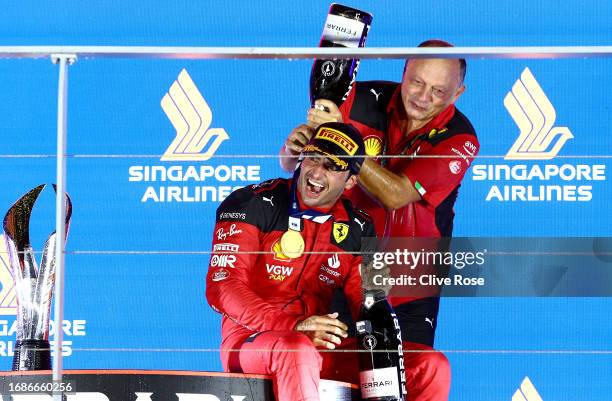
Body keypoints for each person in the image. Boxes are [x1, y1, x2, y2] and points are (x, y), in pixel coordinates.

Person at [280, 40, 480, 401]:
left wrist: (348, 148)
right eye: (417, 82)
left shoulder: (461, 138)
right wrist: (294, 148)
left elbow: (395, 195)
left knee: (408, 382)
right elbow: (307, 157)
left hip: (409, 279)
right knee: (331, 381)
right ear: (403, 71)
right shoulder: (360, 98)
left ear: (459, 92)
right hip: (347, 262)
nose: (422, 97)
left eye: (439, 91)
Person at [206, 122, 377, 401]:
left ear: (350, 182)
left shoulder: (361, 228)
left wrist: (381, 335)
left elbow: (371, 302)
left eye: (333, 166)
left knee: (428, 366)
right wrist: (294, 326)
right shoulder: (251, 203)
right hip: (252, 343)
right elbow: (223, 288)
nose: (316, 172)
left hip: (323, 349)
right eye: (313, 158)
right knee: (296, 348)